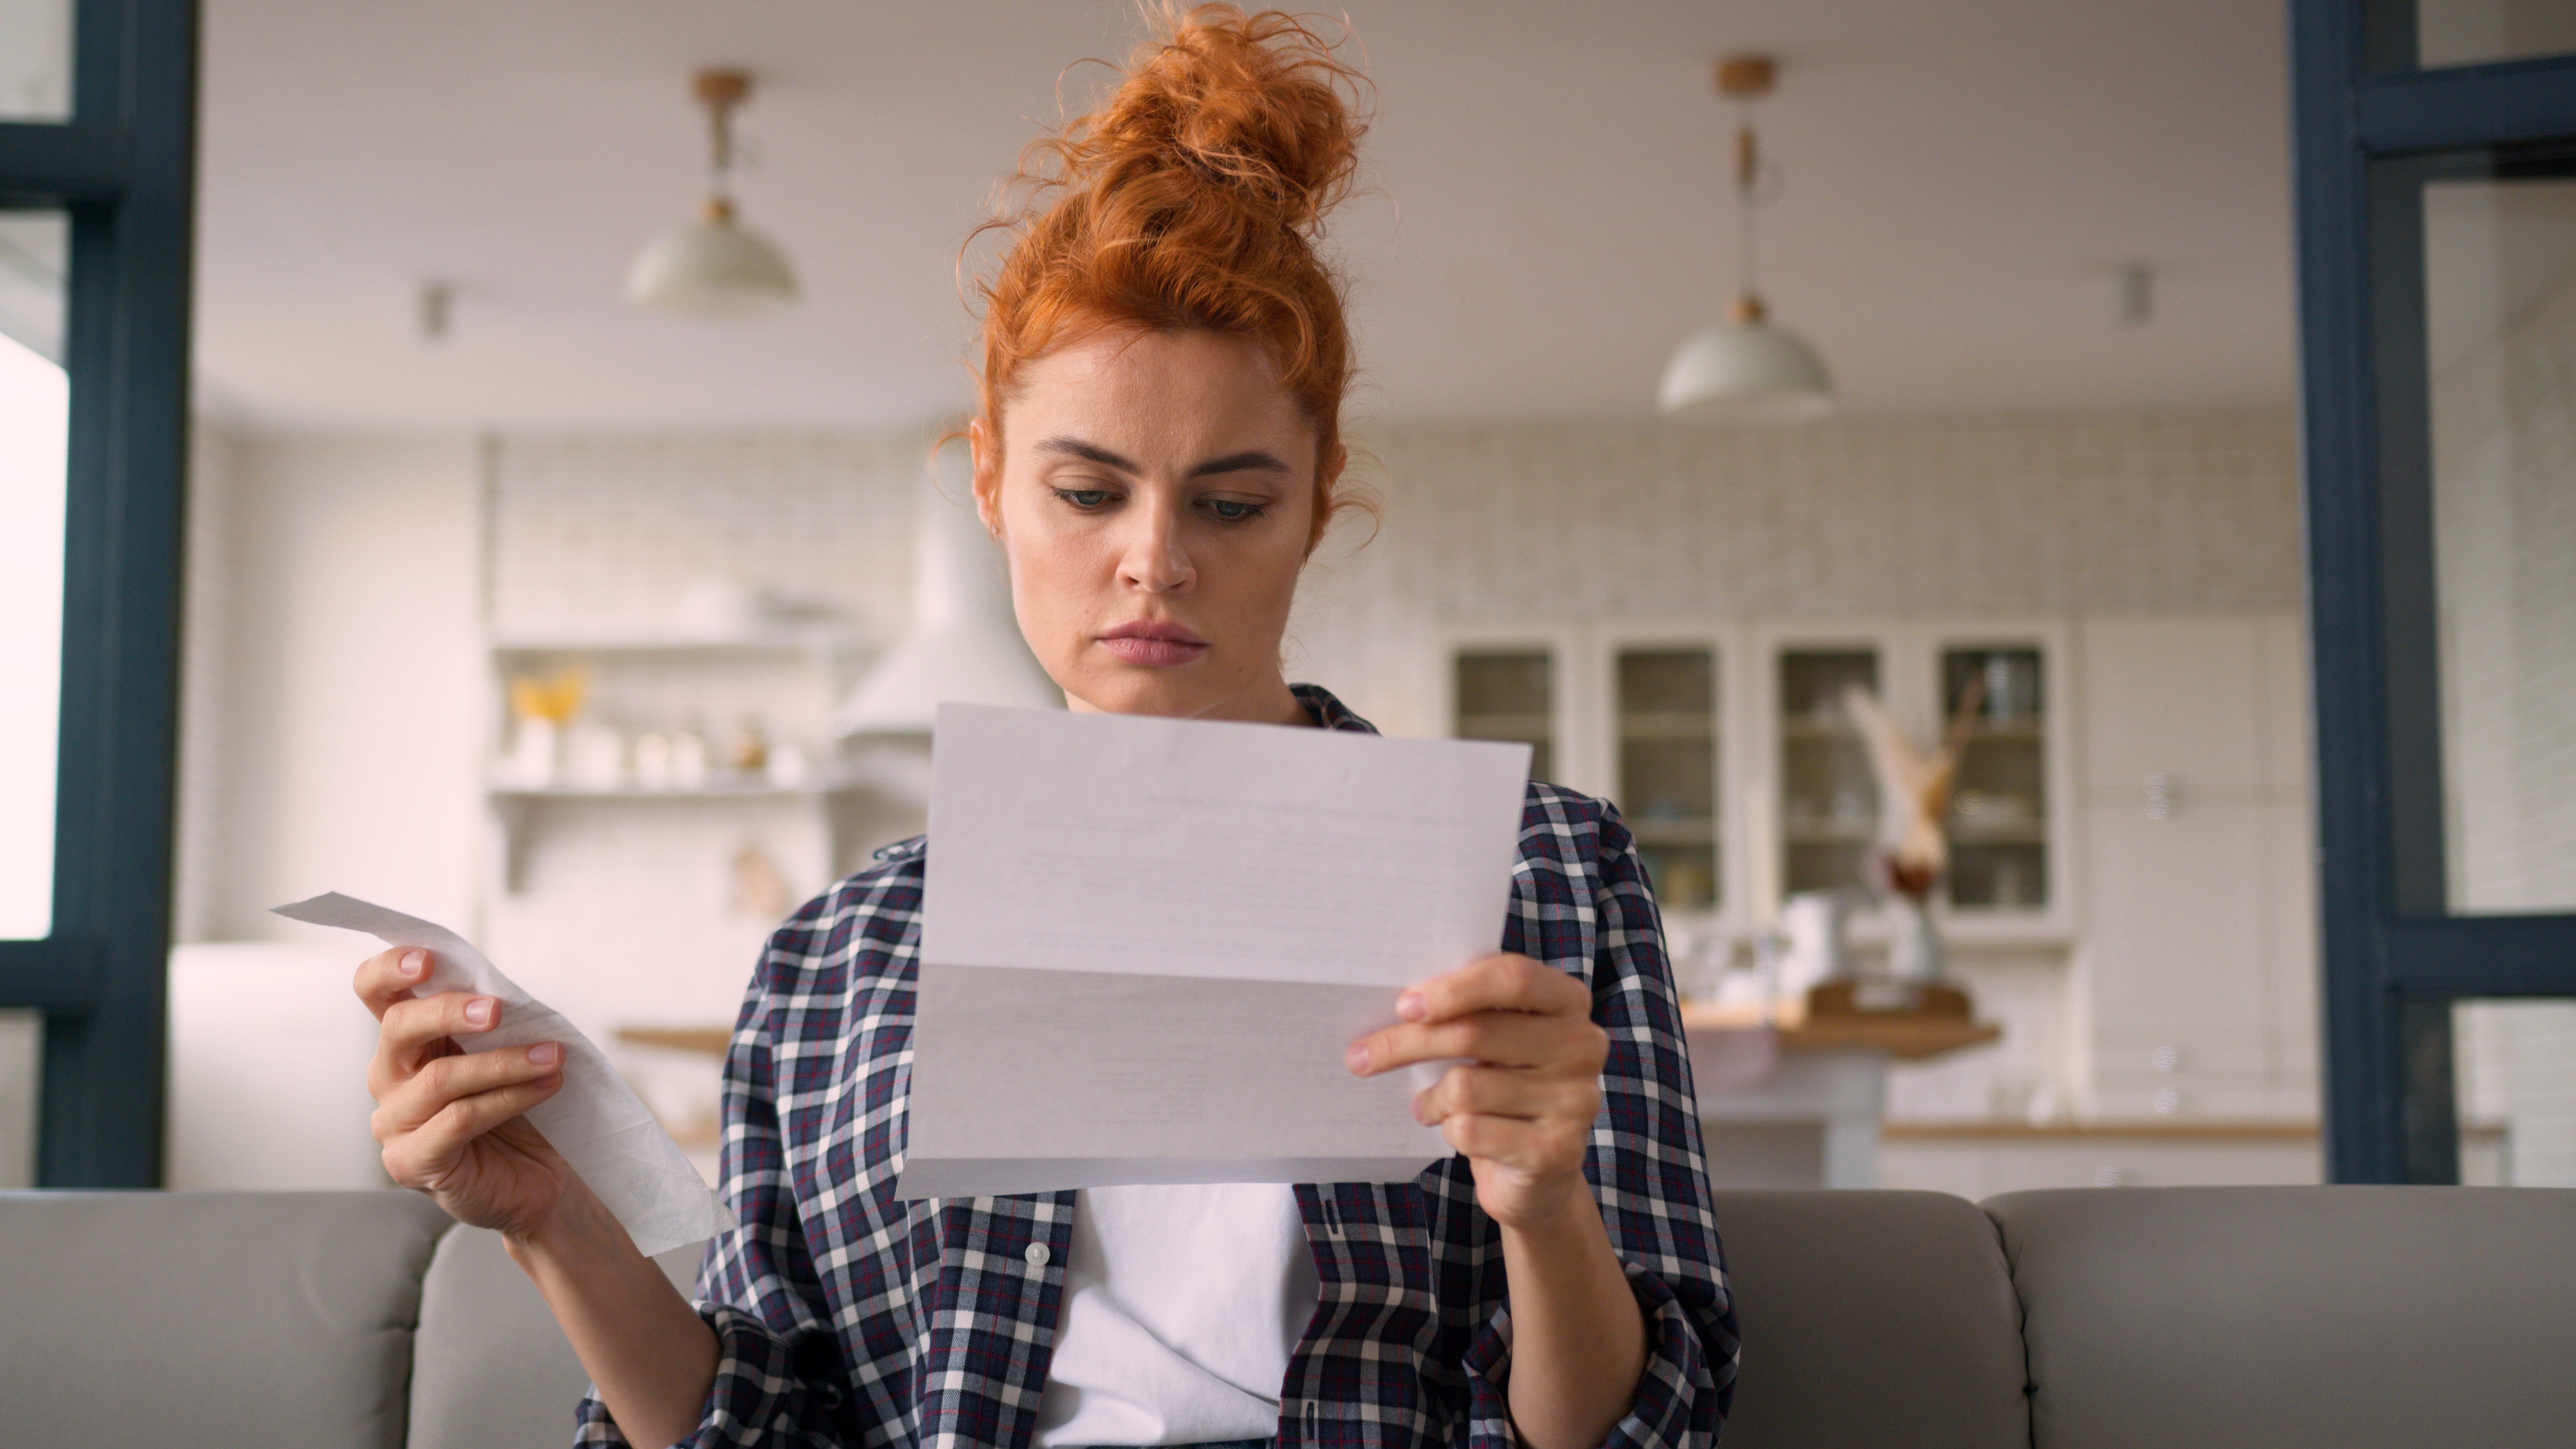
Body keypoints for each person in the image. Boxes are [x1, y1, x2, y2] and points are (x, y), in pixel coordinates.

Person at [353, 8, 1736, 1448]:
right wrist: (553, 1223)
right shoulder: (836, 957)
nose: (1156, 561)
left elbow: (1648, 1427)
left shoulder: (1540, 875)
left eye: (1234, 501)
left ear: (1318, 503)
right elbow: (764, 1422)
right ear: (994, 487)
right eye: (1088, 495)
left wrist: (1544, 1201)